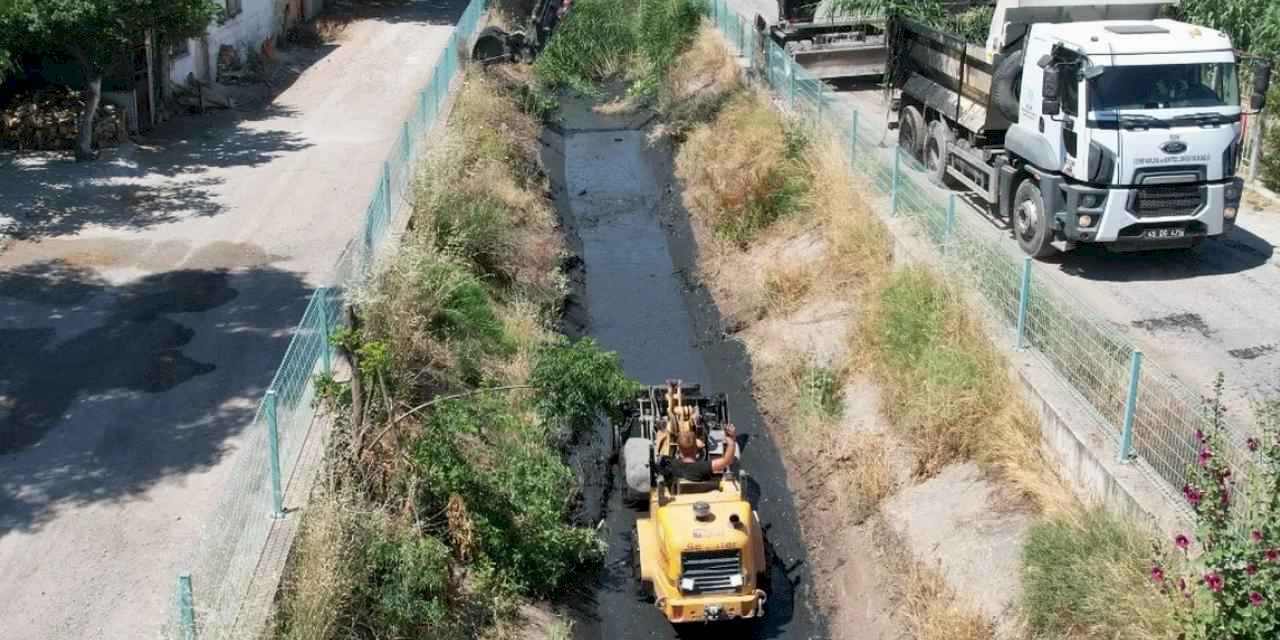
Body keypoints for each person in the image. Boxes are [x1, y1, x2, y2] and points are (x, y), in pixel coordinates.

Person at [670, 423, 737, 482]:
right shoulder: (702, 467)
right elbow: (727, 461)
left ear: (678, 449)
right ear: (696, 449)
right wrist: (731, 440)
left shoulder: (672, 465)